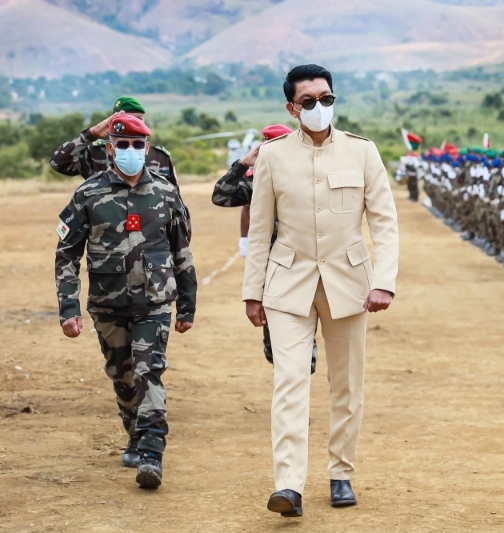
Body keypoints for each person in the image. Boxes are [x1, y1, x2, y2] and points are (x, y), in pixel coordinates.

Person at [242, 65, 399, 517]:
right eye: (308, 101)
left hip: (349, 284)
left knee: (346, 384)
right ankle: (288, 485)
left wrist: (384, 281)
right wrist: (253, 292)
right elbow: (259, 232)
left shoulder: (362, 152)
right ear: (292, 108)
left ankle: (340, 472)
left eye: (326, 98)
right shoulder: (272, 156)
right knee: (289, 381)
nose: (319, 107)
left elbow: (384, 222)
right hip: (287, 283)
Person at [55, 114, 196, 490]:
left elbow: (182, 250)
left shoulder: (165, 193)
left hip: (155, 302)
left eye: (137, 145)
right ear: (110, 148)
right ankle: (134, 432)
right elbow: (67, 254)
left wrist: (187, 304)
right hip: (107, 304)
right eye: (123, 145)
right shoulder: (88, 194)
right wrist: (69, 308)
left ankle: (151, 451)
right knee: (123, 376)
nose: (131, 151)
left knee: (149, 372)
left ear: (147, 149)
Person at [212, 124, 318, 374]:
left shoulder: (311, 176)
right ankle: (290, 384)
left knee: (302, 344)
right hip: (272, 271)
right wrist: (243, 163)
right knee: (276, 346)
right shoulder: (255, 182)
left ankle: (296, 391)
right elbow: (220, 195)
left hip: (306, 267)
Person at [49, 96, 180, 190]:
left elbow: (176, 207)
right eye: (127, 120)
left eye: (138, 120)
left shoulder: (159, 157)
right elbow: (58, 163)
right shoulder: (97, 153)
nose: (133, 125)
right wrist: (91, 134)